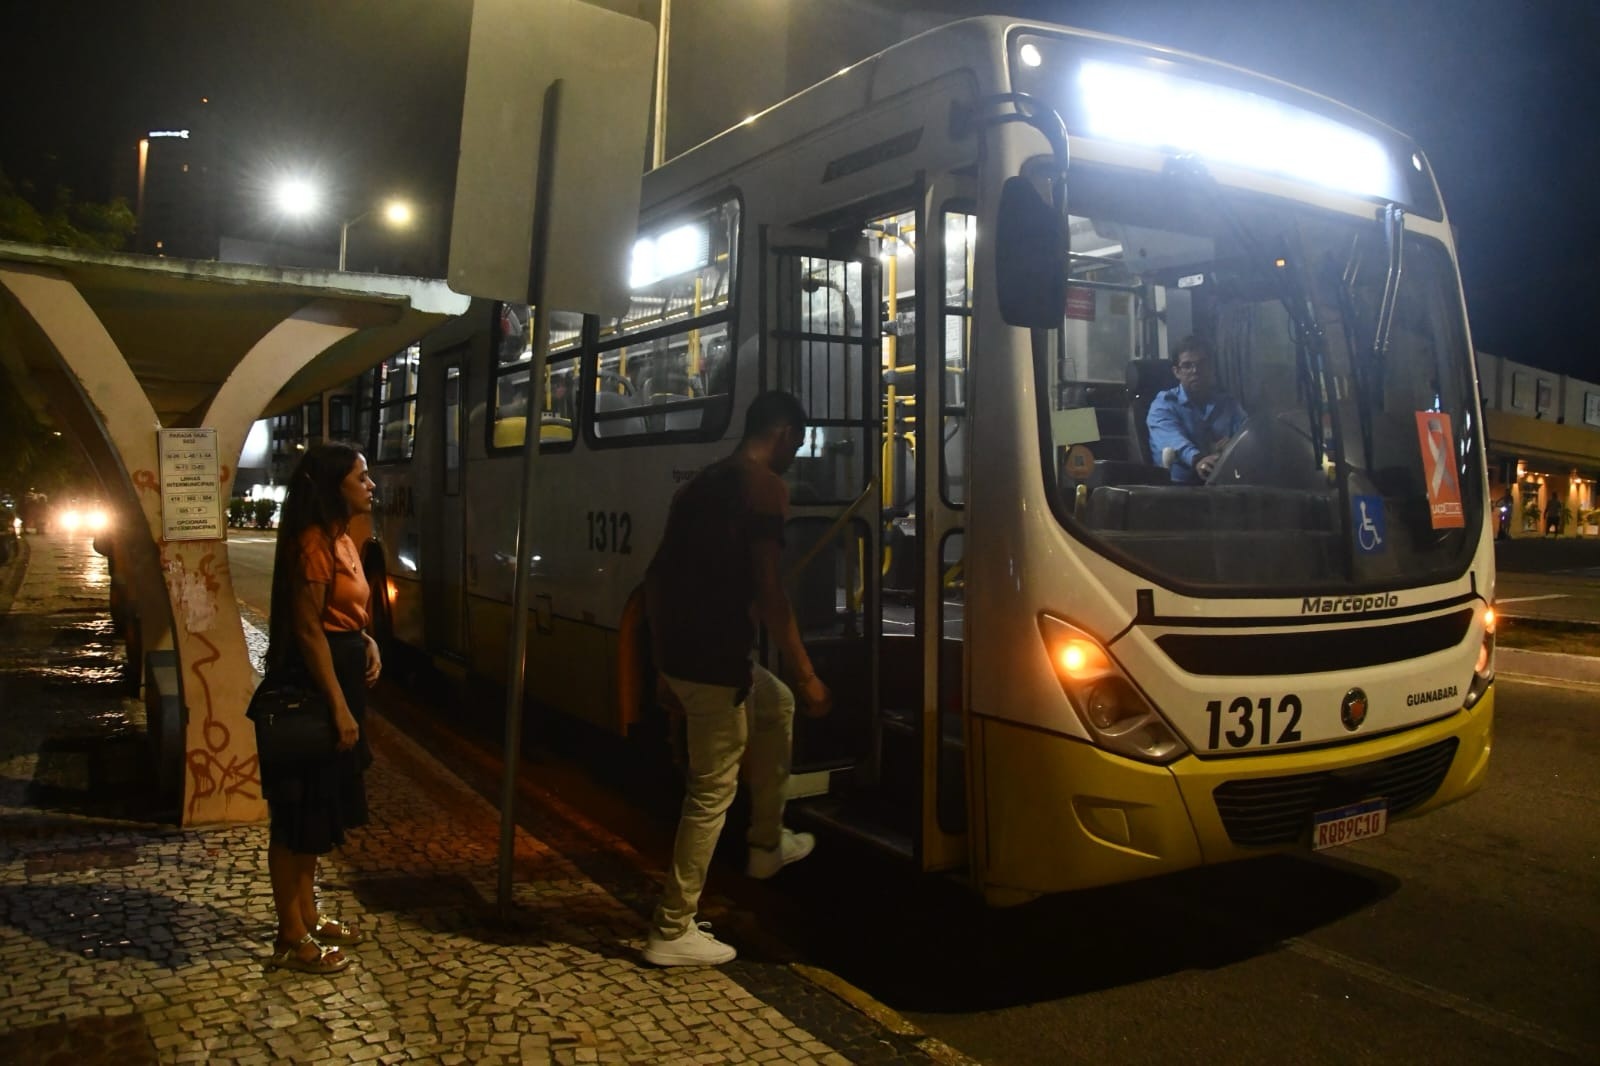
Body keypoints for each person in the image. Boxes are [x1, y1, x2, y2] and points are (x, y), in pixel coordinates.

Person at [642, 391, 833, 967]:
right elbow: (770, 591)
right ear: (780, 434)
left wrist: (661, 665)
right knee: (711, 790)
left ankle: (766, 844)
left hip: (689, 654)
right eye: (796, 443)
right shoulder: (763, 487)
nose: (796, 455)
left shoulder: (703, 483)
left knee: (773, 708)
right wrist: (806, 673)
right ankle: (672, 928)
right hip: (716, 659)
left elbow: (655, 576)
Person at [258, 442, 381, 973]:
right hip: (312, 690)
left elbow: (342, 613)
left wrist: (366, 638)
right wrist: (338, 706)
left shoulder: (342, 538)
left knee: (318, 810)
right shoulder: (313, 542)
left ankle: (309, 915)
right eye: (362, 476)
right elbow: (309, 629)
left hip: (342, 673)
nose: (371, 484)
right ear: (335, 487)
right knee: (296, 812)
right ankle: (290, 936)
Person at [1146, 337, 1247, 484]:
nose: (1195, 371)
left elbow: (1246, 433)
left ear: (1212, 368)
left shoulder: (1228, 404)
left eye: (1202, 364)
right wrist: (1198, 460)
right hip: (1176, 491)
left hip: (1226, 486)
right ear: (1176, 372)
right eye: (1187, 365)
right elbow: (1173, 441)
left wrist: (1233, 445)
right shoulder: (1163, 405)